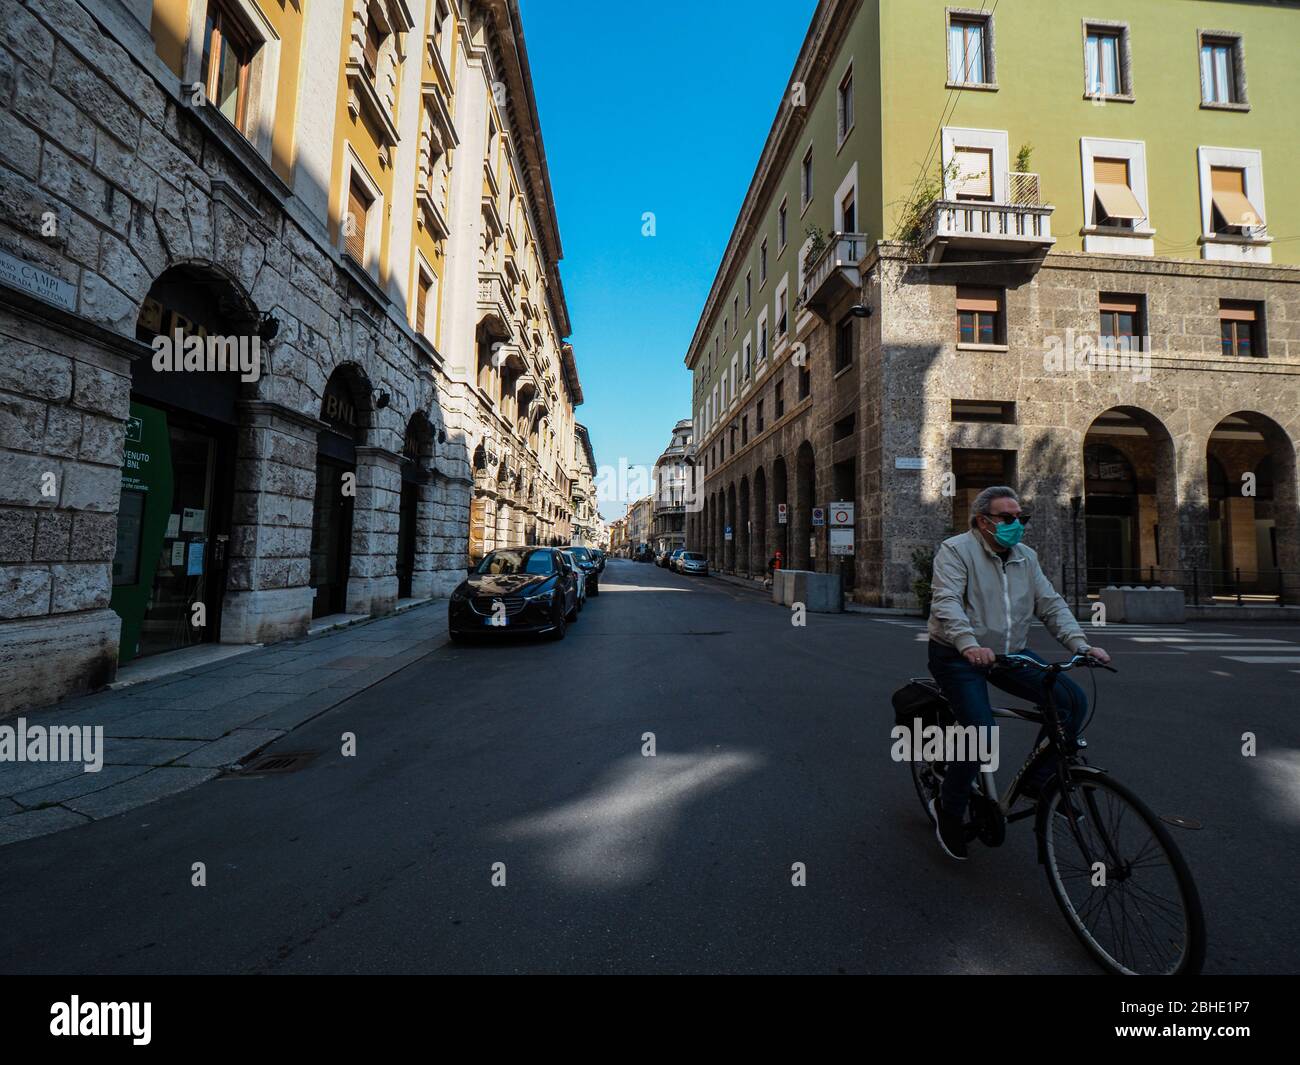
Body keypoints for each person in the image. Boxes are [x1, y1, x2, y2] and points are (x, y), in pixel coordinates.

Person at [926, 485, 1110, 861]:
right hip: (959, 654)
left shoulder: (1026, 557)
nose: (1017, 525)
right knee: (981, 733)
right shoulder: (956, 550)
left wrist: (1081, 645)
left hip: (1009, 652)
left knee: (1072, 701)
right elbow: (946, 602)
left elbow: (1051, 604)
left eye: (1021, 518)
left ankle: (1042, 781)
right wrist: (968, 644)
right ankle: (949, 807)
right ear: (983, 521)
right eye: (1007, 518)